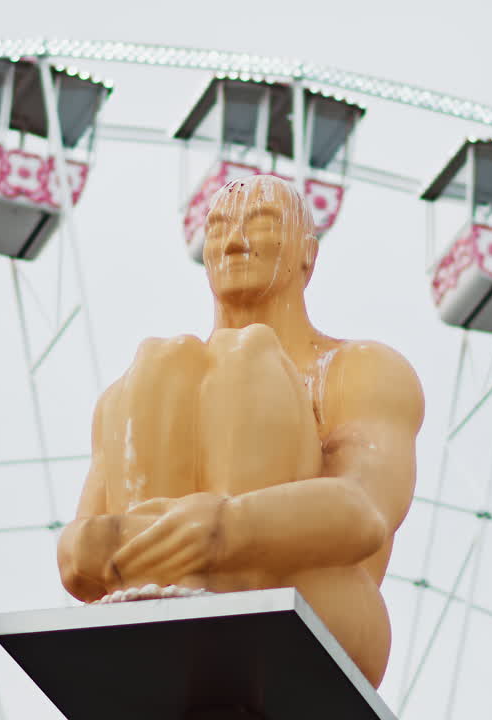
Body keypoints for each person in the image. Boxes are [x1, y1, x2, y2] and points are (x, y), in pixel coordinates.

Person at [56, 174, 424, 687]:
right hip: (159, 594)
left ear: (307, 255)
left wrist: (231, 528)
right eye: (218, 228)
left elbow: (364, 511)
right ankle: (179, 583)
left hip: (320, 601)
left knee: (244, 354)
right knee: (162, 356)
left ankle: (198, 578)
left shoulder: (360, 369)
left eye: (263, 224)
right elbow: (77, 556)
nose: (234, 241)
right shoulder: (138, 386)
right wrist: (132, 543)